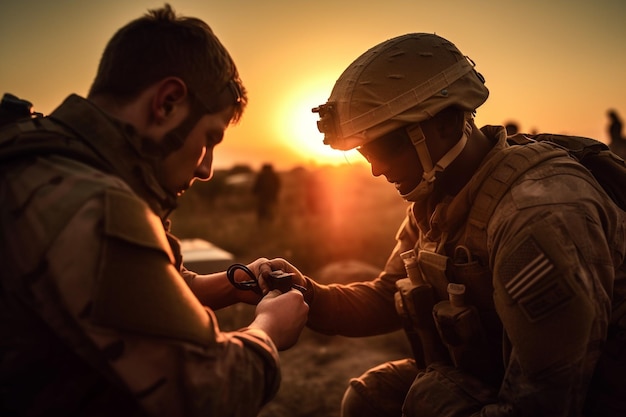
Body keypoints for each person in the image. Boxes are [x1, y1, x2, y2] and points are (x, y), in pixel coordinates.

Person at [268, 33, 626, 416]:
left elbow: (543, 403)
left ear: (446, 123)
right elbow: (387, 294)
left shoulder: (538, 217)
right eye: (364, 152)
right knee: (372, 398)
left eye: (385, 147)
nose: (376, 169)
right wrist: (306, 293)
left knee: (427, 399)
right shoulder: (438, 195)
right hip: (496, 380)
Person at [0, 5, 308, 417]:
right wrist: (268, 328)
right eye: (209, 138)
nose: (206, 168)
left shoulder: (42, 159)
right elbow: (210, 394)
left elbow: (139, 289)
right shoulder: (92, 205)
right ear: (167, 102)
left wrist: (238, 283)